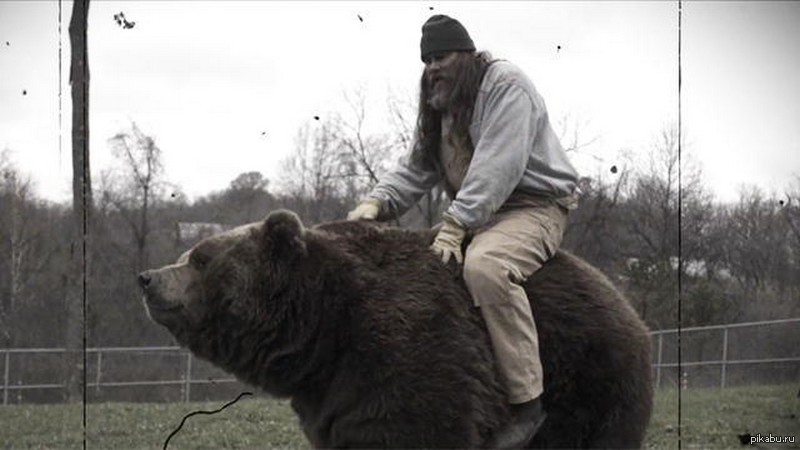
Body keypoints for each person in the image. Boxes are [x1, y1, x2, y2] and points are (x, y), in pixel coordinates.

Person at [347, 14, 580, 448]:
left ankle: (528, 405)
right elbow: (418, 166)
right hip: (482, 212)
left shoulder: (507, 87)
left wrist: (455, 225)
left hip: (533, 207)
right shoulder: (442, 104)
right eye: (428, 59)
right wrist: (375, 203)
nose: (434, 67)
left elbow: (499, 165)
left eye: (443, 56)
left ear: (468, 55)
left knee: (486, 268)